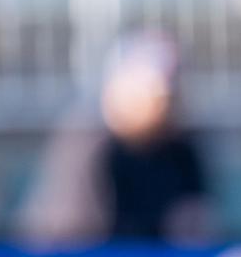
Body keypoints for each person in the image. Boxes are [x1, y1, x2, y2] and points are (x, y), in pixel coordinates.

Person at [14, 31, 215, 247]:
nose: (164, 108)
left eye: (168, 98)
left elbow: (195, 229)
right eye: (154, 96)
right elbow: (64, 234)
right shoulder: (88, 144)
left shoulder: (181, 152)